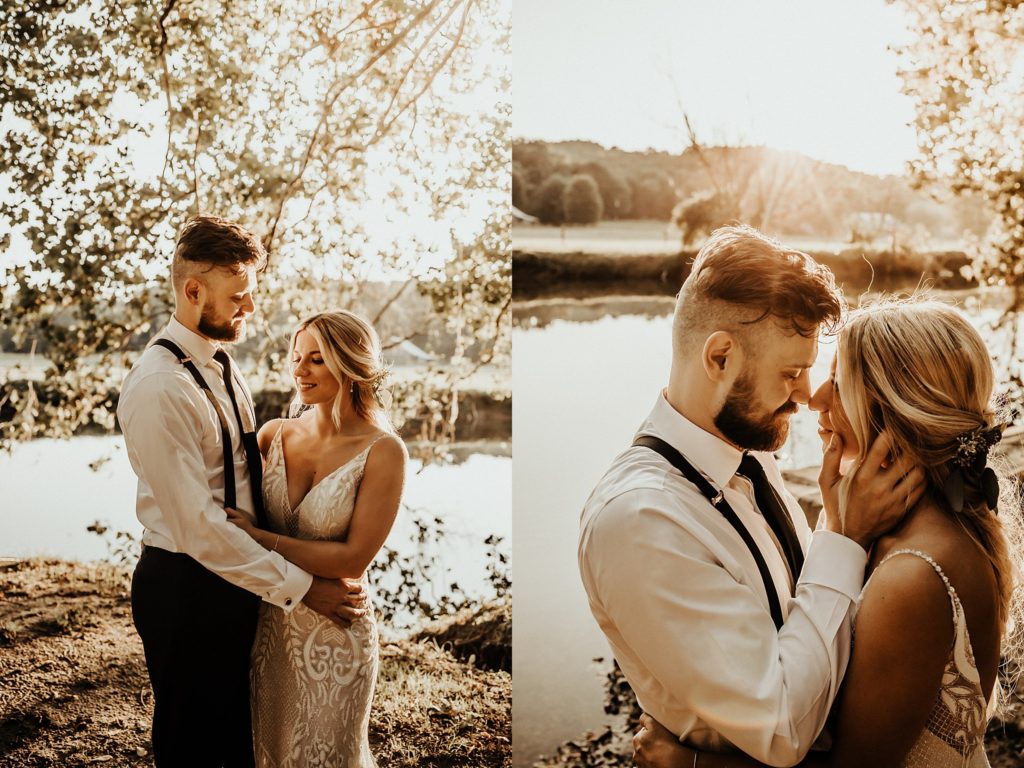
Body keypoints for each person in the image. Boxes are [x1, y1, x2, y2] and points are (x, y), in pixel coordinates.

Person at [578, 226, 926, 767]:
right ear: (720, 357)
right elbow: (784, 729)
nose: (809, 395)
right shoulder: (641, 521)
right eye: (791, 372)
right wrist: (843, 536)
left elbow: (800, 616)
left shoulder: (750, 451)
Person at [633, 298, 1024, 767]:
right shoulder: (908, 528)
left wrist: (690, 763)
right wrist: (841, 525)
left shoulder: (914, 577)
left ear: (890, 407)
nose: (814, 398)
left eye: (839, 384)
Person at [118, 215, 365, 768]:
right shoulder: (161, 388)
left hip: (234, 579)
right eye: (240, 295)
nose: (250, 308)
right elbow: (199, 527)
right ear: (192, 290)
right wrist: (304, 587)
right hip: (184, 587)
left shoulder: (220, 367)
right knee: (192, 743)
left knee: (234, 739)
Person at [225, 309, 407, 767]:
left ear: (349, 366)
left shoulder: (384, 451)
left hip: (336, 636)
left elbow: (352, 560)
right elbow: (225, 527)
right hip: (268, 629)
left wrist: (260, 538)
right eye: (296, 357)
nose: (300, 370)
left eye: (317, 360)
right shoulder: (272, 436)